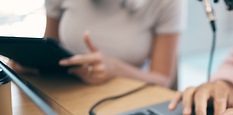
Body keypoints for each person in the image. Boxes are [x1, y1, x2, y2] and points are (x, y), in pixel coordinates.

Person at [12, 0, 186, 88]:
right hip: (63, 92)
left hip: (123, 102)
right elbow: (49, 45)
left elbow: (163, 79)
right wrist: (31, 62)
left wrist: (114, 69)